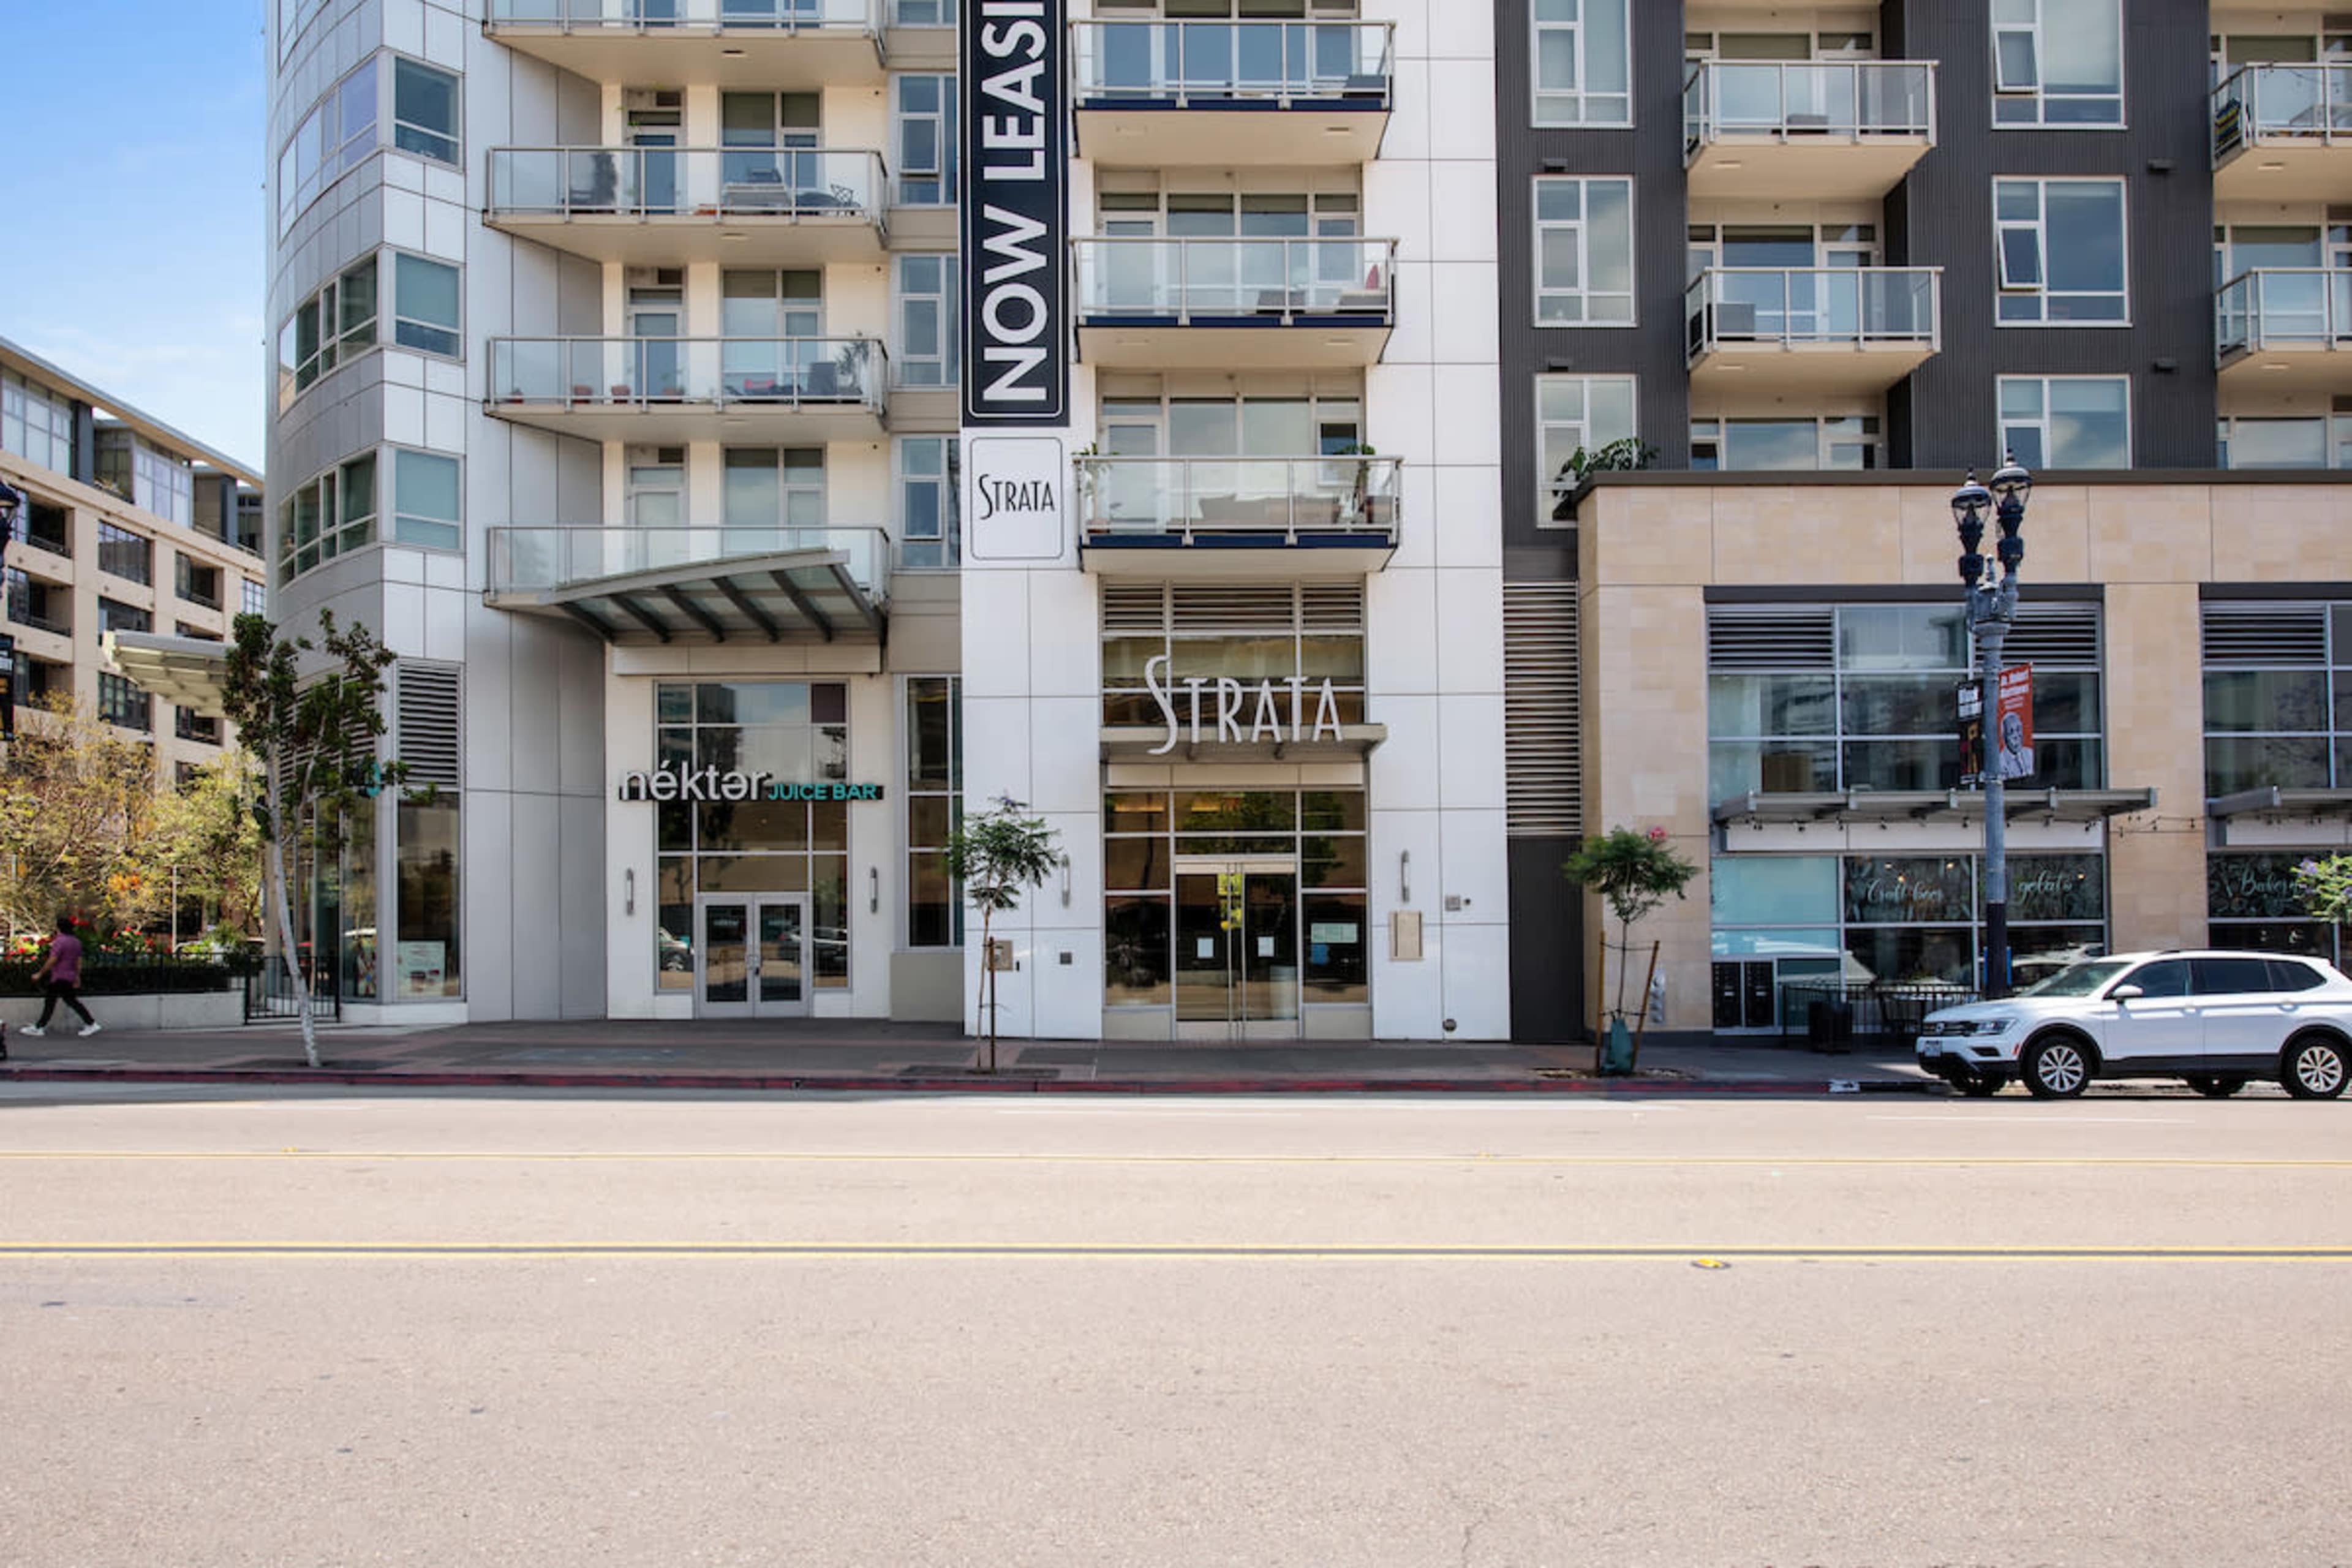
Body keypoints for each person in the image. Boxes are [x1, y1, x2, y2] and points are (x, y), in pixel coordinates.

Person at [20, 915, 100, 1038]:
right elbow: (78, 962)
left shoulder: (60, 941)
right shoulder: (76, 942)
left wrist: (40, 973)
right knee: (70, 1001)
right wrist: (77, 977)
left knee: (51, 1002)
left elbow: (53, 960)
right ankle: (90, 1023)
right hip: (69, 976)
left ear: (59, 928)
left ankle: (40, 1027)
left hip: (59, 976)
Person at [1997, 709, 2035, 780]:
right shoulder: (1999, 761)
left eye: (2018, 730)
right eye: (2011, 733)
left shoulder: (2029, 753)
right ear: (2004, 738)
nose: (2016, 736)